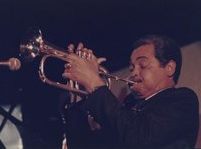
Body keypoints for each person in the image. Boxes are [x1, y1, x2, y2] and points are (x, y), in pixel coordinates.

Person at [62, 35, 199, 149]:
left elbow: (138, 137)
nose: (133, 73)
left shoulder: (183, 100)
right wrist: (78, 93)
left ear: (169, 68)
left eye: (143, 65)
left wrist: (93, 81)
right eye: (132, 67)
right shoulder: (128, 105)